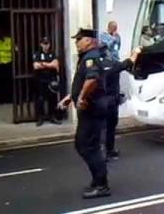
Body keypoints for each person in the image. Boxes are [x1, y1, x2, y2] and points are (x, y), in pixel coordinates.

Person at [58, 28, 111, 199]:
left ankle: (102, 185)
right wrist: (71, 96)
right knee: (84, 145)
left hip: (93, 109)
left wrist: (81, 97)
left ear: (89, 41)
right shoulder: (87, 57)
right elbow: (83, 81)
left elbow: (92, 79)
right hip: (89, 109)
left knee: (88, 146)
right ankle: (98, 180)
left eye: (79, 39)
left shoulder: (91, 57)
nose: (76, 42)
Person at [99, 43, 141, 161]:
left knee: (102, 126)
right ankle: (108, 151)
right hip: (111, 100)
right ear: (107, 52)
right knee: (110, 127)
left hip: (100, 100)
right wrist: (136, 52)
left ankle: (103, 151)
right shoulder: (113, 64)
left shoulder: (96, 66)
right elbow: (129, 62)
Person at [32, 36, 60, 126]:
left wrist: (43, 64)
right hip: (41, 81)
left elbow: (56, 65)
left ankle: (52, 117)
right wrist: (49, 64)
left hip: (51, 80)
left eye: (47, 44)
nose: (46, 46)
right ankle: (40, 118)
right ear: (41, 44)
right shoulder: (37, 54)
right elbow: (35, 66)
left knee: (52, 99)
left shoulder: (52, 54)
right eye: (44, 44)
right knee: (40, 99)